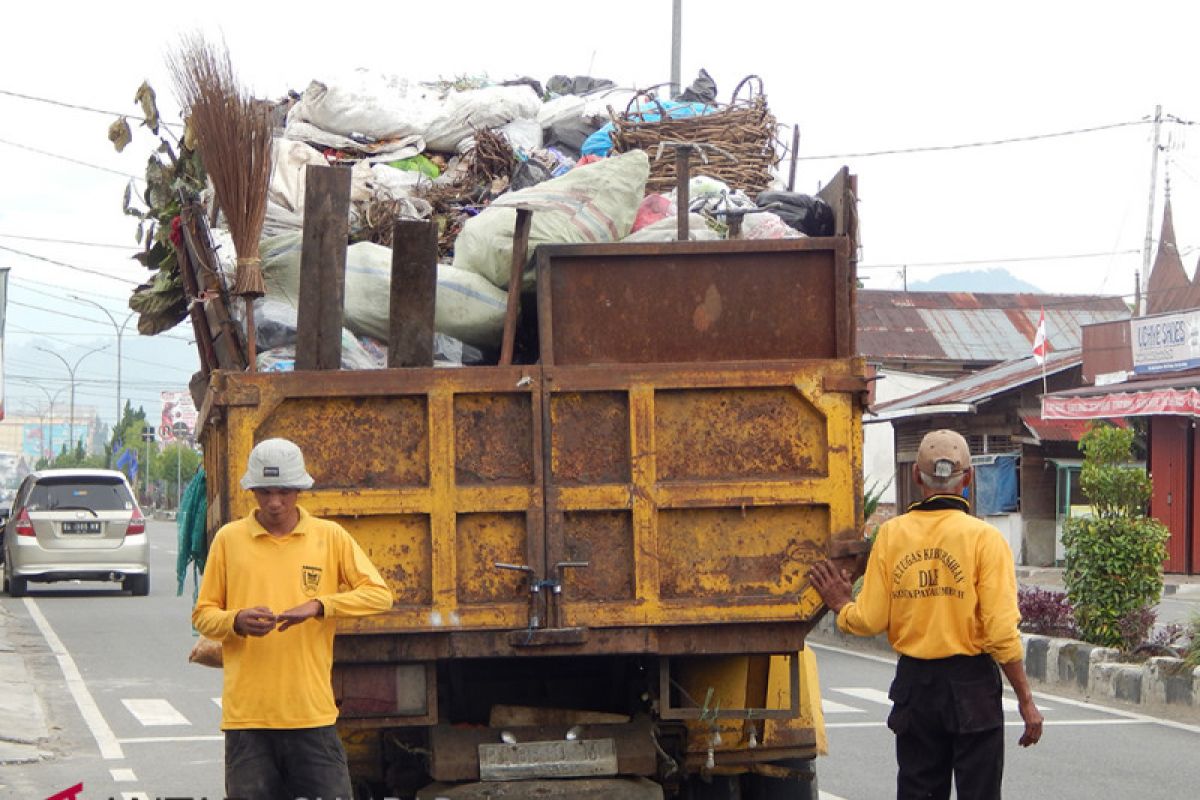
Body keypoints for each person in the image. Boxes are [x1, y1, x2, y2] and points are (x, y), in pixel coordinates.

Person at [809, 429, 1042, 800]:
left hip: (916, 688)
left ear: (917, 477)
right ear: (968, 479)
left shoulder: (891, 535)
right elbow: (1000, 634)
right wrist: (1026, 700)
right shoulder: (986, 540)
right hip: (973, 688)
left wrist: (841, 605)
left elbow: (869, 620)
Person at [193, 438, 394, 800]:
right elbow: (203, 616)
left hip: (312, 716)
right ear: (251, 490)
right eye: (265, 492)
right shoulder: (229, 540)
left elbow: (380, 595)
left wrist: (320, 605)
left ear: (299, 490)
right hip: (248, 720)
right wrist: (236, 620)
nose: (274, 502)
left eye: (284, 491)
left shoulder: (329, 538)